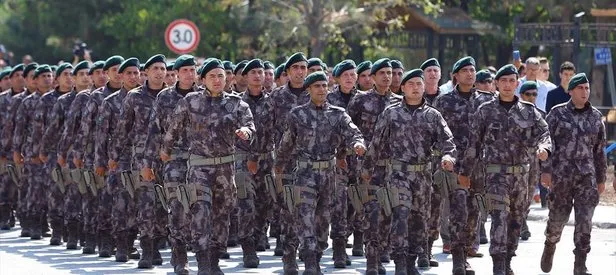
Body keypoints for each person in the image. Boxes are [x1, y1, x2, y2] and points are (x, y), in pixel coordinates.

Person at [161, 58, 255, 274]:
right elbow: (173, 129)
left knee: (222, 215)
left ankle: (214, 261)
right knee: (201, 212)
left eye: (220, 76)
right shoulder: (190, 102)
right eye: (211, 76)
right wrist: (165, 151)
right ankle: (203, 261)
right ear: (202, 79)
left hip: (225, 169)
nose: (217, 80)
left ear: (227, 78)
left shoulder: (237, 104)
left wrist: (246, 133)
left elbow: (250, 125)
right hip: (199, 169)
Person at [363, 68, 456, 275]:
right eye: (411, 84)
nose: (415, 88)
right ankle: (400, 261)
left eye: (419, 84)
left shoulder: (433, 115)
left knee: (419, 220)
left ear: (424, 87)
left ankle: (413, 258)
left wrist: (448, 157)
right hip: (398, 174)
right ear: (403, 88)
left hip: (423, 176)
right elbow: (376, 143)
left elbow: (447, 141)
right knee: (400, 215)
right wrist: (367, 169)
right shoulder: (391, 113)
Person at [464, 64, 551, 275]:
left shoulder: (528, 111)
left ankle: (508, 259)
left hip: (522, 177)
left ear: (516, 84)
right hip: (495, 175)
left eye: (512, 81)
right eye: (503, 81)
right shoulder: (485, 111)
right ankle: (498, 264)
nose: (507, 85)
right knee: (499, 217)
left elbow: (545, 132)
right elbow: (473, 144)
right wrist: (465, 172)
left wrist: (544, 148)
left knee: (516, 220)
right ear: (496, 84)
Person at [276, 71, 366, 274]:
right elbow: (286, 144)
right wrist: (279, 168)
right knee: (305, 217)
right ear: (308, 90)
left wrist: (358, 143)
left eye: (325, 86)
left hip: (329, 175)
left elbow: (352, 132)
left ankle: (316, 256)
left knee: (323, 221)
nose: (322, 90)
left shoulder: (338, 113)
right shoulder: (297, 114)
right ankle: (307, 261)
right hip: (305, 174)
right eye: (317, 86)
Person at [432, 56, 496, 275]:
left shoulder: (488, 100)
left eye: (473, 69)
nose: (470, 73)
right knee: (458, 211)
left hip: (480, 166)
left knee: (474, 213)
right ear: (456, 76)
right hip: (455, 165)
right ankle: (458, 260)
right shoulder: (444, 101)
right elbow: (436, 133)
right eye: (465, 70)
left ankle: (468, 251)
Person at [540, 73, 606, 275]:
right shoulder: (556, 114)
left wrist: (601, 178)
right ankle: (550, 244)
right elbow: (546, 143)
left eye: (587, 88)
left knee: (585, 222)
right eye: (580, 88)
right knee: (557, 220)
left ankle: (580, 264)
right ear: (570, 91)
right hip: (562, 178)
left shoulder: (595, 117)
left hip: (587, 179)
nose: (585, 92)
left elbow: (599, 151)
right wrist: (546, 171)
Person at [142, 54, 199, 275]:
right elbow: (154, 132)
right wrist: (148, 163)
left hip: (201, 162)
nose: (189, 74)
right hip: (174, 160)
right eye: (184, 70)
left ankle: (205, 256)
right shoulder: (165, 98)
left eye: (192, 70)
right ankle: (179, 258)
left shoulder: (204, 96)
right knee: (177, 209)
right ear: (176, 73)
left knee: (200, 210)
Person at [111, 54, 168, 268]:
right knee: (145, 204)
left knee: (164, 205)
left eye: (162, 68)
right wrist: (114, 157)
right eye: (155, 68)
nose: (159, 72)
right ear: (147, 72)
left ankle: (159, 242)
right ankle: (147, 249)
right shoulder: (134, 97)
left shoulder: (172, 96)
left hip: (169, 159)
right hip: (143, 158)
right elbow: (122, 130)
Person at [347, 58, 401, 274]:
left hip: (394, 167)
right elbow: (349, 130)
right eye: (382, 73)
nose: (387, 76)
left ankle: (383, 249)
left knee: (389, 211)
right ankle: (372, 258)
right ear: (373, 77)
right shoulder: (360, 101)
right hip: (369, 166)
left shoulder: (400, 101)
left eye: (390, 72)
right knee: (372, 212)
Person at [96, 57, 142, 262]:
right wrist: (102, 161)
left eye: (136, 73)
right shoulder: (110, 101)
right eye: (128, 73)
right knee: (122, 203)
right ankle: (122, 245)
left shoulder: (147, 97)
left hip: (145, 158)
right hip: (121, 158)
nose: (133, 77)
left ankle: (136, 243)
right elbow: (101, 135)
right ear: (121, 76)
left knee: (144, 203)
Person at [269, 52, 310, 273]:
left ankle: (310, 251)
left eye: (303, 67)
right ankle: (289, 256)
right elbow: (266, 128)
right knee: (288, 211)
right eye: (295, 67)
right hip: (286, 163)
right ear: (287, 72)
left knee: (312, 212)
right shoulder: (276, 97)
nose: (300, 71)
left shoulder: (318, 94)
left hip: (312, 164)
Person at [233, 58, 275, 268]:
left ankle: (260, 234)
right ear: (245, 77)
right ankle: (247, 247)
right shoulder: (237, 102)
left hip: (267, 159)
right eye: (253, 73)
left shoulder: (273, 101)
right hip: (243, 160)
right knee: (245, 203)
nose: (259, 76)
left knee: (265, 202)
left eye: (261, 72)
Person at [13, 65, 54, 240]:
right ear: (35, 80)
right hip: (33, 153)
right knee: (34, 189)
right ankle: (33, 224)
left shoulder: (56, 100)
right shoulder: (28, 102)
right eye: (43, 76)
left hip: (52, 153)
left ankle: (45, 222)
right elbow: (19, 129)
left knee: (50, 189)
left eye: (49, 75)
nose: (47, 79)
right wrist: (16, 150)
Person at [326, 59, 361, 268]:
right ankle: (339, 248)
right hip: (337, 159)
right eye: (345, 75)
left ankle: (351, 237)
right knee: (338, 203)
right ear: (337, 78)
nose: (349, 78)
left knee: (355, 203)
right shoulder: (328, 99)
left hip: (359, 159)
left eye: (352, 74)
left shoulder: (365, 99)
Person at [517, 81, 545, 242]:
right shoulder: (513, 113)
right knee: (518, 193)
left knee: (528, 194)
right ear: (521, 95)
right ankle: (520, 224)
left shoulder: (541, 114)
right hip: (517, 160)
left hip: (534, 160)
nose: (532, 97)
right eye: (528, 94)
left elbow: (546, 137)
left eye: (534, 94)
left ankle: (522, 219)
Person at [0, 64, 26, 230]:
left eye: (21, 74)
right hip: (5, 148)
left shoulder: (30, 98)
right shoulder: (2, 100)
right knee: (6, 183)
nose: (18, 78)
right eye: (14, 75)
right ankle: (5, 213)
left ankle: (25, 215)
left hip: (26, 148)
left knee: (25, 183)